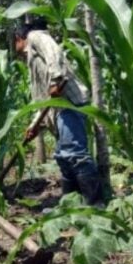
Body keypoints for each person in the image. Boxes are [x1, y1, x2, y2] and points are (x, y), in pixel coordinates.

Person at [14, 24, 104, 206]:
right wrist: (35, 126)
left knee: (75, 154)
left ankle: (95, 204)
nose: (16, 52)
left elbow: (53, 52)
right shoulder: (32, 58)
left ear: (18, 38)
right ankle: (71, 205)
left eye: (14, 45)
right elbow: (44, 98)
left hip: (69, 104)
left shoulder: (35, 36)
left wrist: (57, 79)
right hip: (57, 110)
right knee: (64, 157)